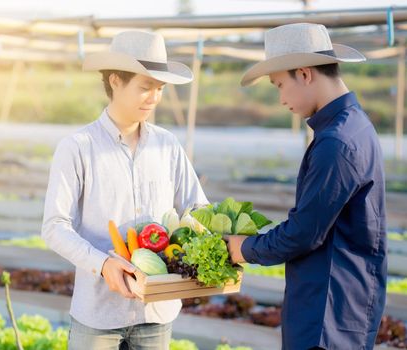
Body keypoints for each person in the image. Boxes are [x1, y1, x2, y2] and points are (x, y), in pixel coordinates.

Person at [41, 30, 207, 350]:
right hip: (98, 315)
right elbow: (54, 226)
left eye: (159, 88)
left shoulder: (167, 146)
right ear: (115, 80)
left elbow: (196, 207)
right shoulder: (77, 148)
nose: (154, 97)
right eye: (145, 88)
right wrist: (103, 264)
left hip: (157, 311)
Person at [226, 23, 387, 350]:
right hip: (344, 306)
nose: (281, 98)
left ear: (305, 73)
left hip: (326, 316)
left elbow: (304, 233)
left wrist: (243, 248)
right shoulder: (356, 126)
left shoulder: (336, 143)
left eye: (280, 85)